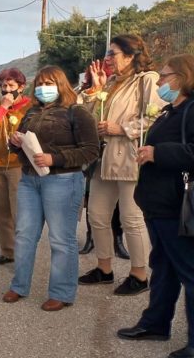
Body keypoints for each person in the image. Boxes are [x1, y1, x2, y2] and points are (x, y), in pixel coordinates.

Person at [2, 65, 99, 311]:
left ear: (61, 84)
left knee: (60, 238)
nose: (44, 88)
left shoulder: (77, 112)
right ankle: (19, 285)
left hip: (63, 180)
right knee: (24, 234)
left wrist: (54, 158)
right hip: (29, 179)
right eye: (41, 84)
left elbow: (90, 150)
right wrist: (15, 142)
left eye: (50, 83)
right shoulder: (31, 112)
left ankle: (62, 292)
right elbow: (23, 142)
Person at [117, 54, 194, 358]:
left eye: (165, 76)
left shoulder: (191, 110)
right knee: (163, 267)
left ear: (183, 76)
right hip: (159, 205)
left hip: (178, 206)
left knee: (189, 271)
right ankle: (155, 323)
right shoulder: (168, 112)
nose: (160, 82)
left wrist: (158, 152)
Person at [78, 34, 165, 296]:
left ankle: (139, 275)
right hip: (104, 158)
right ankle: (104, 270)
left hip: (129, 157)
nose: (107, 59)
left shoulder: (147, 80)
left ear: (130, 55)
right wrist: (94, 91)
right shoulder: (111, 82)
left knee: (131, 218)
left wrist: (123, 128)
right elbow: (89, 117)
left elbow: (158, 116)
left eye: (112, 53)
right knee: (97, 215)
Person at [76, 61, 129, 259]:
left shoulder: (118, 91)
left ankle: (117, 240)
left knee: (115, 204)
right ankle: (91, 238)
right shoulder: (85, 93)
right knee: (92, 200)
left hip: (113, 151)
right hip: (92, 153)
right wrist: (94, 91)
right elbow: (80, 115)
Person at [0, 68, 33, 265]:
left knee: (18, 210)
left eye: (11, 85)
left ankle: (23, 253)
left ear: (21, 87)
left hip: (17, 164)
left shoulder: (29, 106)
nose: (7, 89)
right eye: (3, 86)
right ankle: (7, 251)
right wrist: (2, 108)